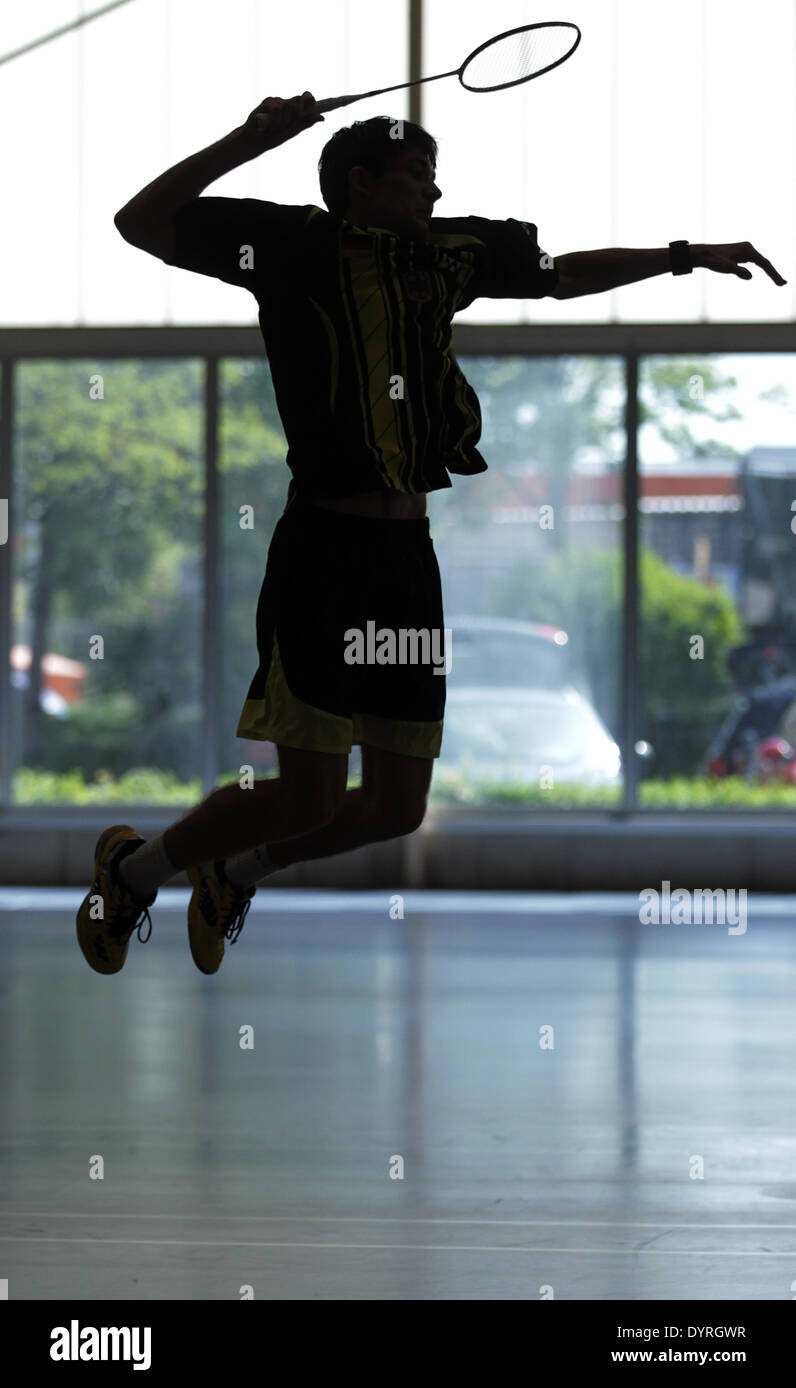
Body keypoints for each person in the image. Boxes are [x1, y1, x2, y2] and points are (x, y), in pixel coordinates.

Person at [77, 92, 785, 977]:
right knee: (308, 796)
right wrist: (252, 138)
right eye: (417, 175)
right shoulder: (289, 245)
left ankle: (232, 873)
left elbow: (562, 273)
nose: (434, 191)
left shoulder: (452, 254)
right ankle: (132, 871)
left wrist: (681, 257)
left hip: (408, 562)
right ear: (361, 183)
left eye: (434, 175)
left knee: (394, 808)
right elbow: (139, 221)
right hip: (323, 556)